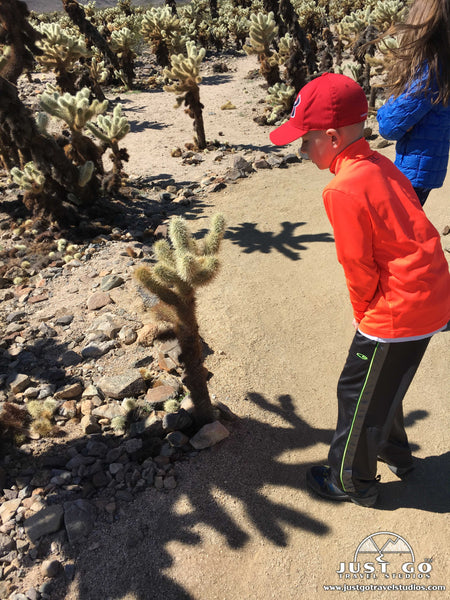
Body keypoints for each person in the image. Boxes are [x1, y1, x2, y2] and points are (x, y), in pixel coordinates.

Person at [270, 72, 450, 507]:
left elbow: (358, 267)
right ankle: (394, 452)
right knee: (382, 385)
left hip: (397, 310)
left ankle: (351, 480)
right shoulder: (381, 165)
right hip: (430, 295)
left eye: (306, 140)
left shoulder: (342, 189)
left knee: (356, 392)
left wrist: (364, 316)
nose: (301, 150)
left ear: (331, 138)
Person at [376, 0, 450, 206]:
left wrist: (382, 112)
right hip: (427, 168)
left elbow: (389, 127)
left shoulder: (431, 70)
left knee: (396, 233)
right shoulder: (443, 64)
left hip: (412, 171)